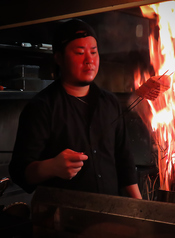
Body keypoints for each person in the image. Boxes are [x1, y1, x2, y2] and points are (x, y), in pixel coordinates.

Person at [9, 18, 142, 199]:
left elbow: (124, 160)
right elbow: (19, 171)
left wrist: (140, 209)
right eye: (80, 52)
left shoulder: (110, 103)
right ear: (59, 58)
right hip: (62, 219)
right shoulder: (41, 107)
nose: (89, 60)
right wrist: (51, 166)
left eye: (94, 52)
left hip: (111, 215)